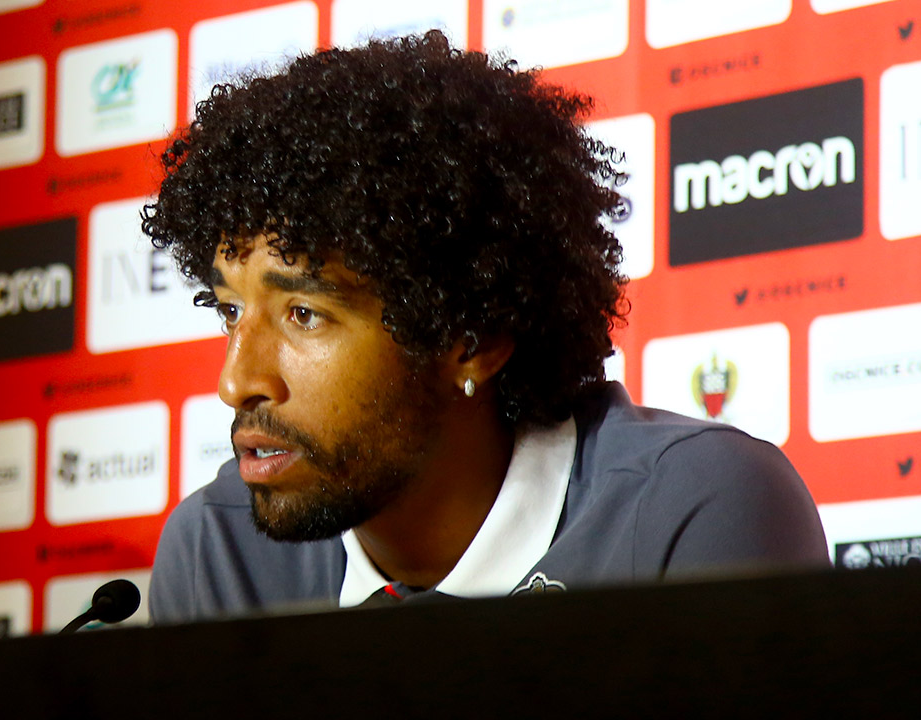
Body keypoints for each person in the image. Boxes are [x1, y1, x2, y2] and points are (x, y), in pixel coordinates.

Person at [141, 31, 828, 624]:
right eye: (230, 310)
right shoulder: (218, 555)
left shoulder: (695, 510)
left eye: (303, 314)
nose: (236, 381)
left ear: (473, 340)